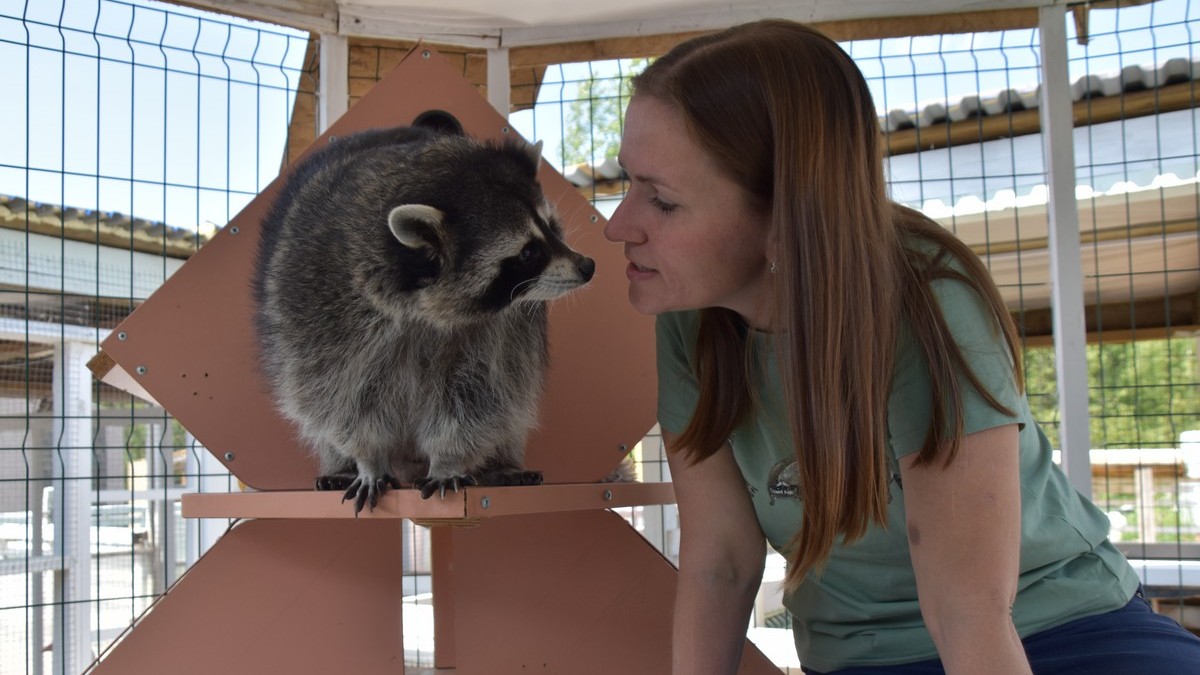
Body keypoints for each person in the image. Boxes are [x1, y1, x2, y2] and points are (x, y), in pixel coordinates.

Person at [602, 19, 1200, 675]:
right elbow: (722, 560)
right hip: (864, 656)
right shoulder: (691, 318)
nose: (618, 226)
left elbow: (966, 609)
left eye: (660, 200)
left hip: (1058, 628)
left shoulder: (926, 301)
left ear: (784, 219)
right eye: (629, 183)